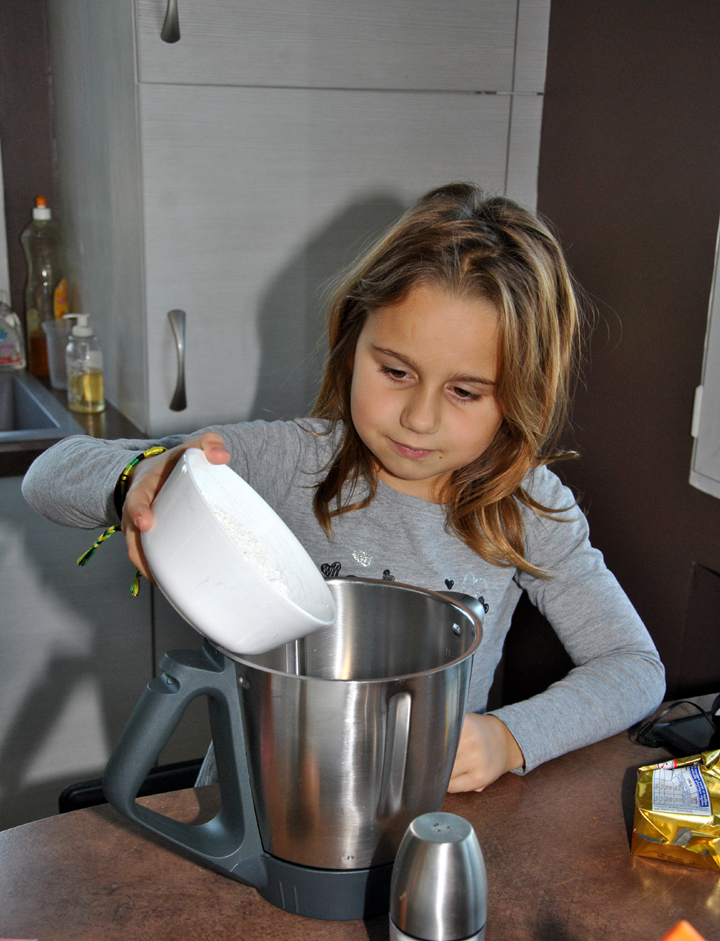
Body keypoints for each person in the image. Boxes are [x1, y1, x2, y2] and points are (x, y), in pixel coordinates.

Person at [22, 183, 665, 793]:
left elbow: (633, 665)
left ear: (522, 391)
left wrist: (509, 738)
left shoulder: (529, 507)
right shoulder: (290, 460)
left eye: (465, 391)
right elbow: (50, 472)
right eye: (396, 371)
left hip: (414, 819)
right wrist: (136, 479)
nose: (419, 418)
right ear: (352, 344)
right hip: (248, 810)